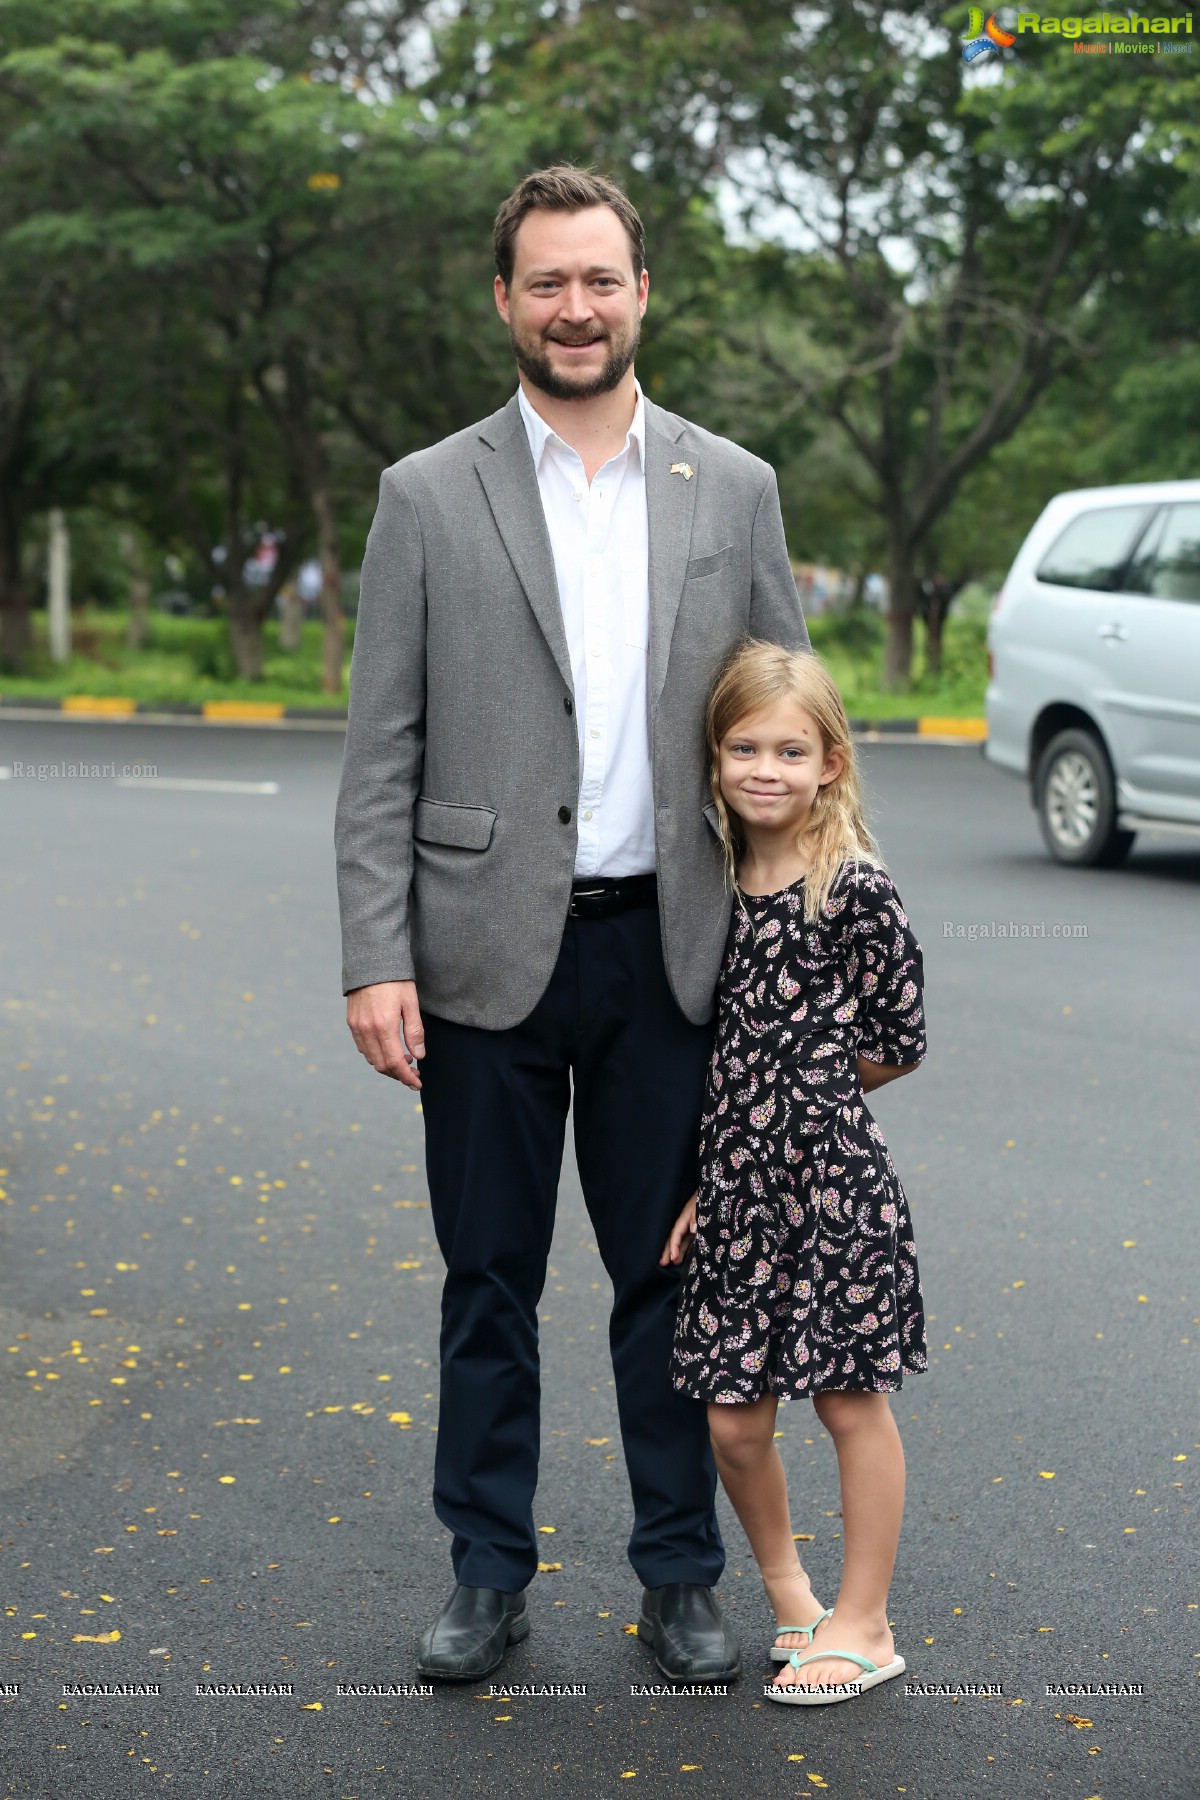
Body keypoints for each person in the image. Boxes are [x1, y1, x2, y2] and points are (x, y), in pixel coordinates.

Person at [333, 166, 810, 1684]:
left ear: (642, 292)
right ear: (506, 301)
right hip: (481, 955)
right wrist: (375, 954)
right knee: (489, 1282)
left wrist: (792, 953)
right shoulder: (426, 492)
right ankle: (486, 1570)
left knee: (670, 1275)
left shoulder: (731, 487)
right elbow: (381, 752)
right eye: (547, 281)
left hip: (675, 952)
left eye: (600, 279)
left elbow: (790, 730)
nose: (576, 307)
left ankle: (679, 1573)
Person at [661, 640, 928, 1706]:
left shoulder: (851, 888)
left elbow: (899, 1038)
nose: (764, 767)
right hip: (735, 1195)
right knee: (734, 1418)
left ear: (830, 763)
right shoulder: (716, 883)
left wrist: (807, 1104)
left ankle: (866, 1625)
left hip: (833, 1190)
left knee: (850, 1401)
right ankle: (794, 1599)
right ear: (714, 758)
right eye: (742, 747)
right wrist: (720, 1169)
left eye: (789, 748)